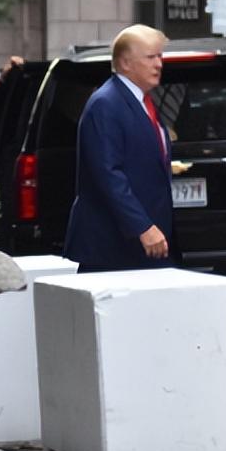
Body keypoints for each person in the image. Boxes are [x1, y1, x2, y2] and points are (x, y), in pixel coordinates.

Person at [64, 24, 173, 272]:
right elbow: (108, 174)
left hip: (144, 244)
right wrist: (142, 227)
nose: (159, 64)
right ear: (125, 63)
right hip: (114, 246)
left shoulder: (143, 101)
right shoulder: (106, 103)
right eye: (150, 57)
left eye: (160, 56)